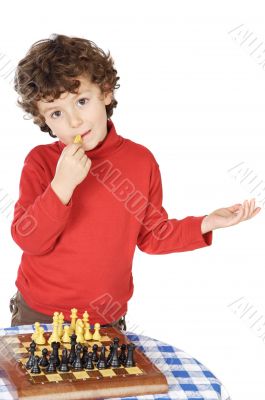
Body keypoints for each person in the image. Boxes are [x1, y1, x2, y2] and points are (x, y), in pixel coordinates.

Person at [10, 33, 261, 329]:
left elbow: (153, 235)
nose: (74, 121)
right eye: (56, 112)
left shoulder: (141, 162)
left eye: (81, 101)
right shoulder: (41, 162)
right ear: (44, 122)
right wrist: (61, 186)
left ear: (105, 92)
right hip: (40, 313)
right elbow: (29, 240)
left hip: (105, 319)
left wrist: (206, 223)